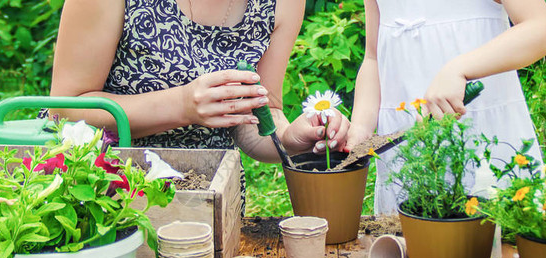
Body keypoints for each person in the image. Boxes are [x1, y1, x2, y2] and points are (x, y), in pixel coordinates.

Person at [47, 0, 349, 164]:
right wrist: (181, 106)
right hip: (109, 192)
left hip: (211, 200)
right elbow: (65, 110)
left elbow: (258, 116)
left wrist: (289, 138)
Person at [345, 0, 546, 214]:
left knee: (495, 237)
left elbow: (540, 29)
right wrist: (361, 129)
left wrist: (459, 68)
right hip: (408, 153)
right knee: (408, 237)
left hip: (481, 137)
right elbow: (373, 58)